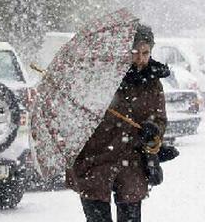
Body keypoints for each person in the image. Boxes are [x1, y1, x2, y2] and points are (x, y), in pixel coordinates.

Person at [66, 24, 170, 222]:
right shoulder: (101, 77)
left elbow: (160, 118)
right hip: (95, 159)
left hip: (132, 162)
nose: (140, 58)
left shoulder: (153, 82)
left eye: (145, 52)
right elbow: (80, 117)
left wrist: (153, 130)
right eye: (135, 52)